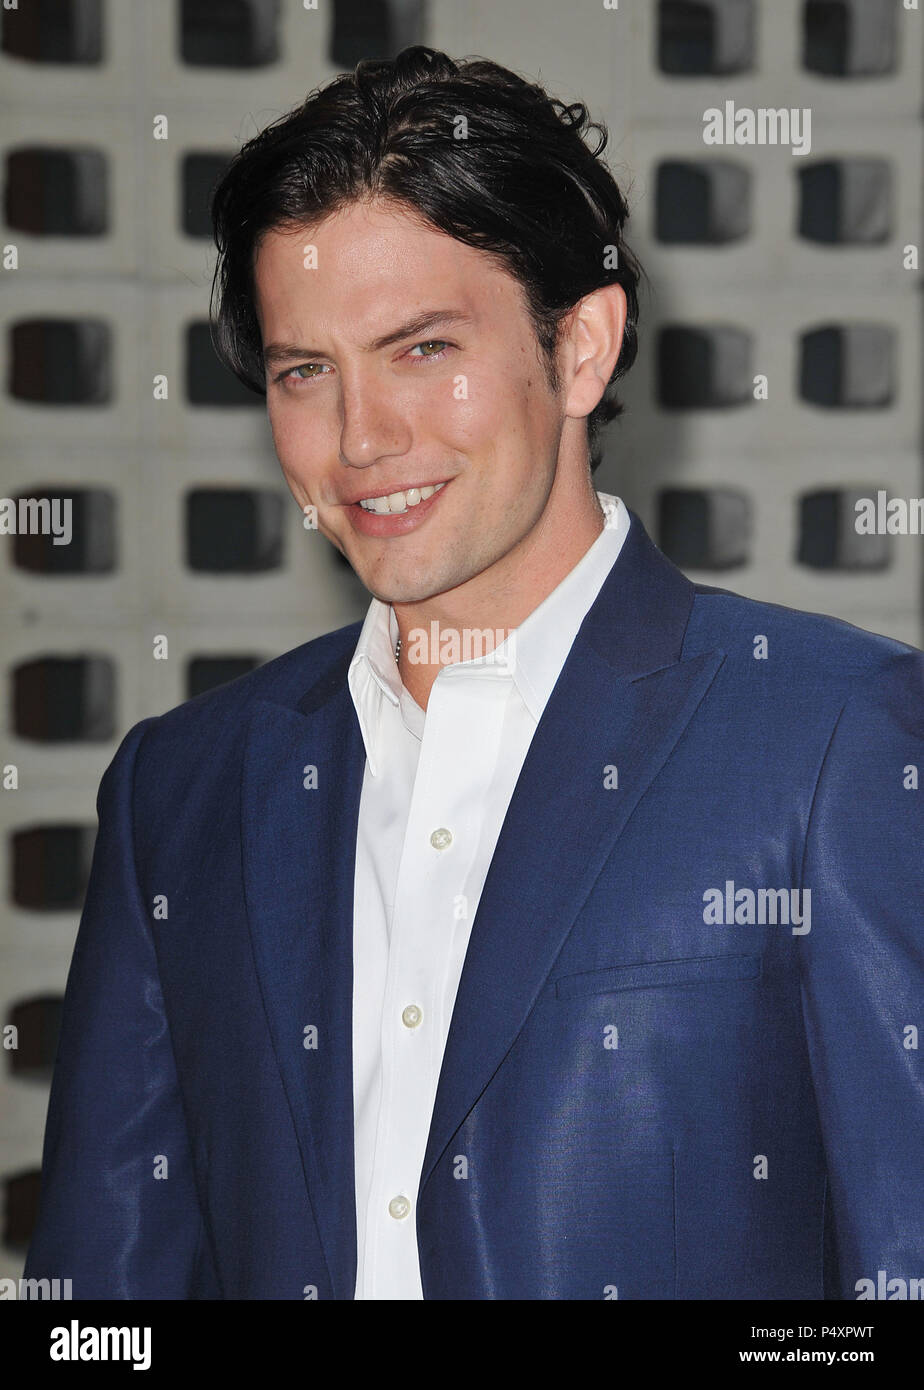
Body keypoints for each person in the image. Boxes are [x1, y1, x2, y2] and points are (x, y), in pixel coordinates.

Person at [25, 45, 924, 1300]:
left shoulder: (833, 736)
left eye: (423, 348)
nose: (360, 438)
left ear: (582, 350)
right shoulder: (178, 792)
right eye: (304, 373)